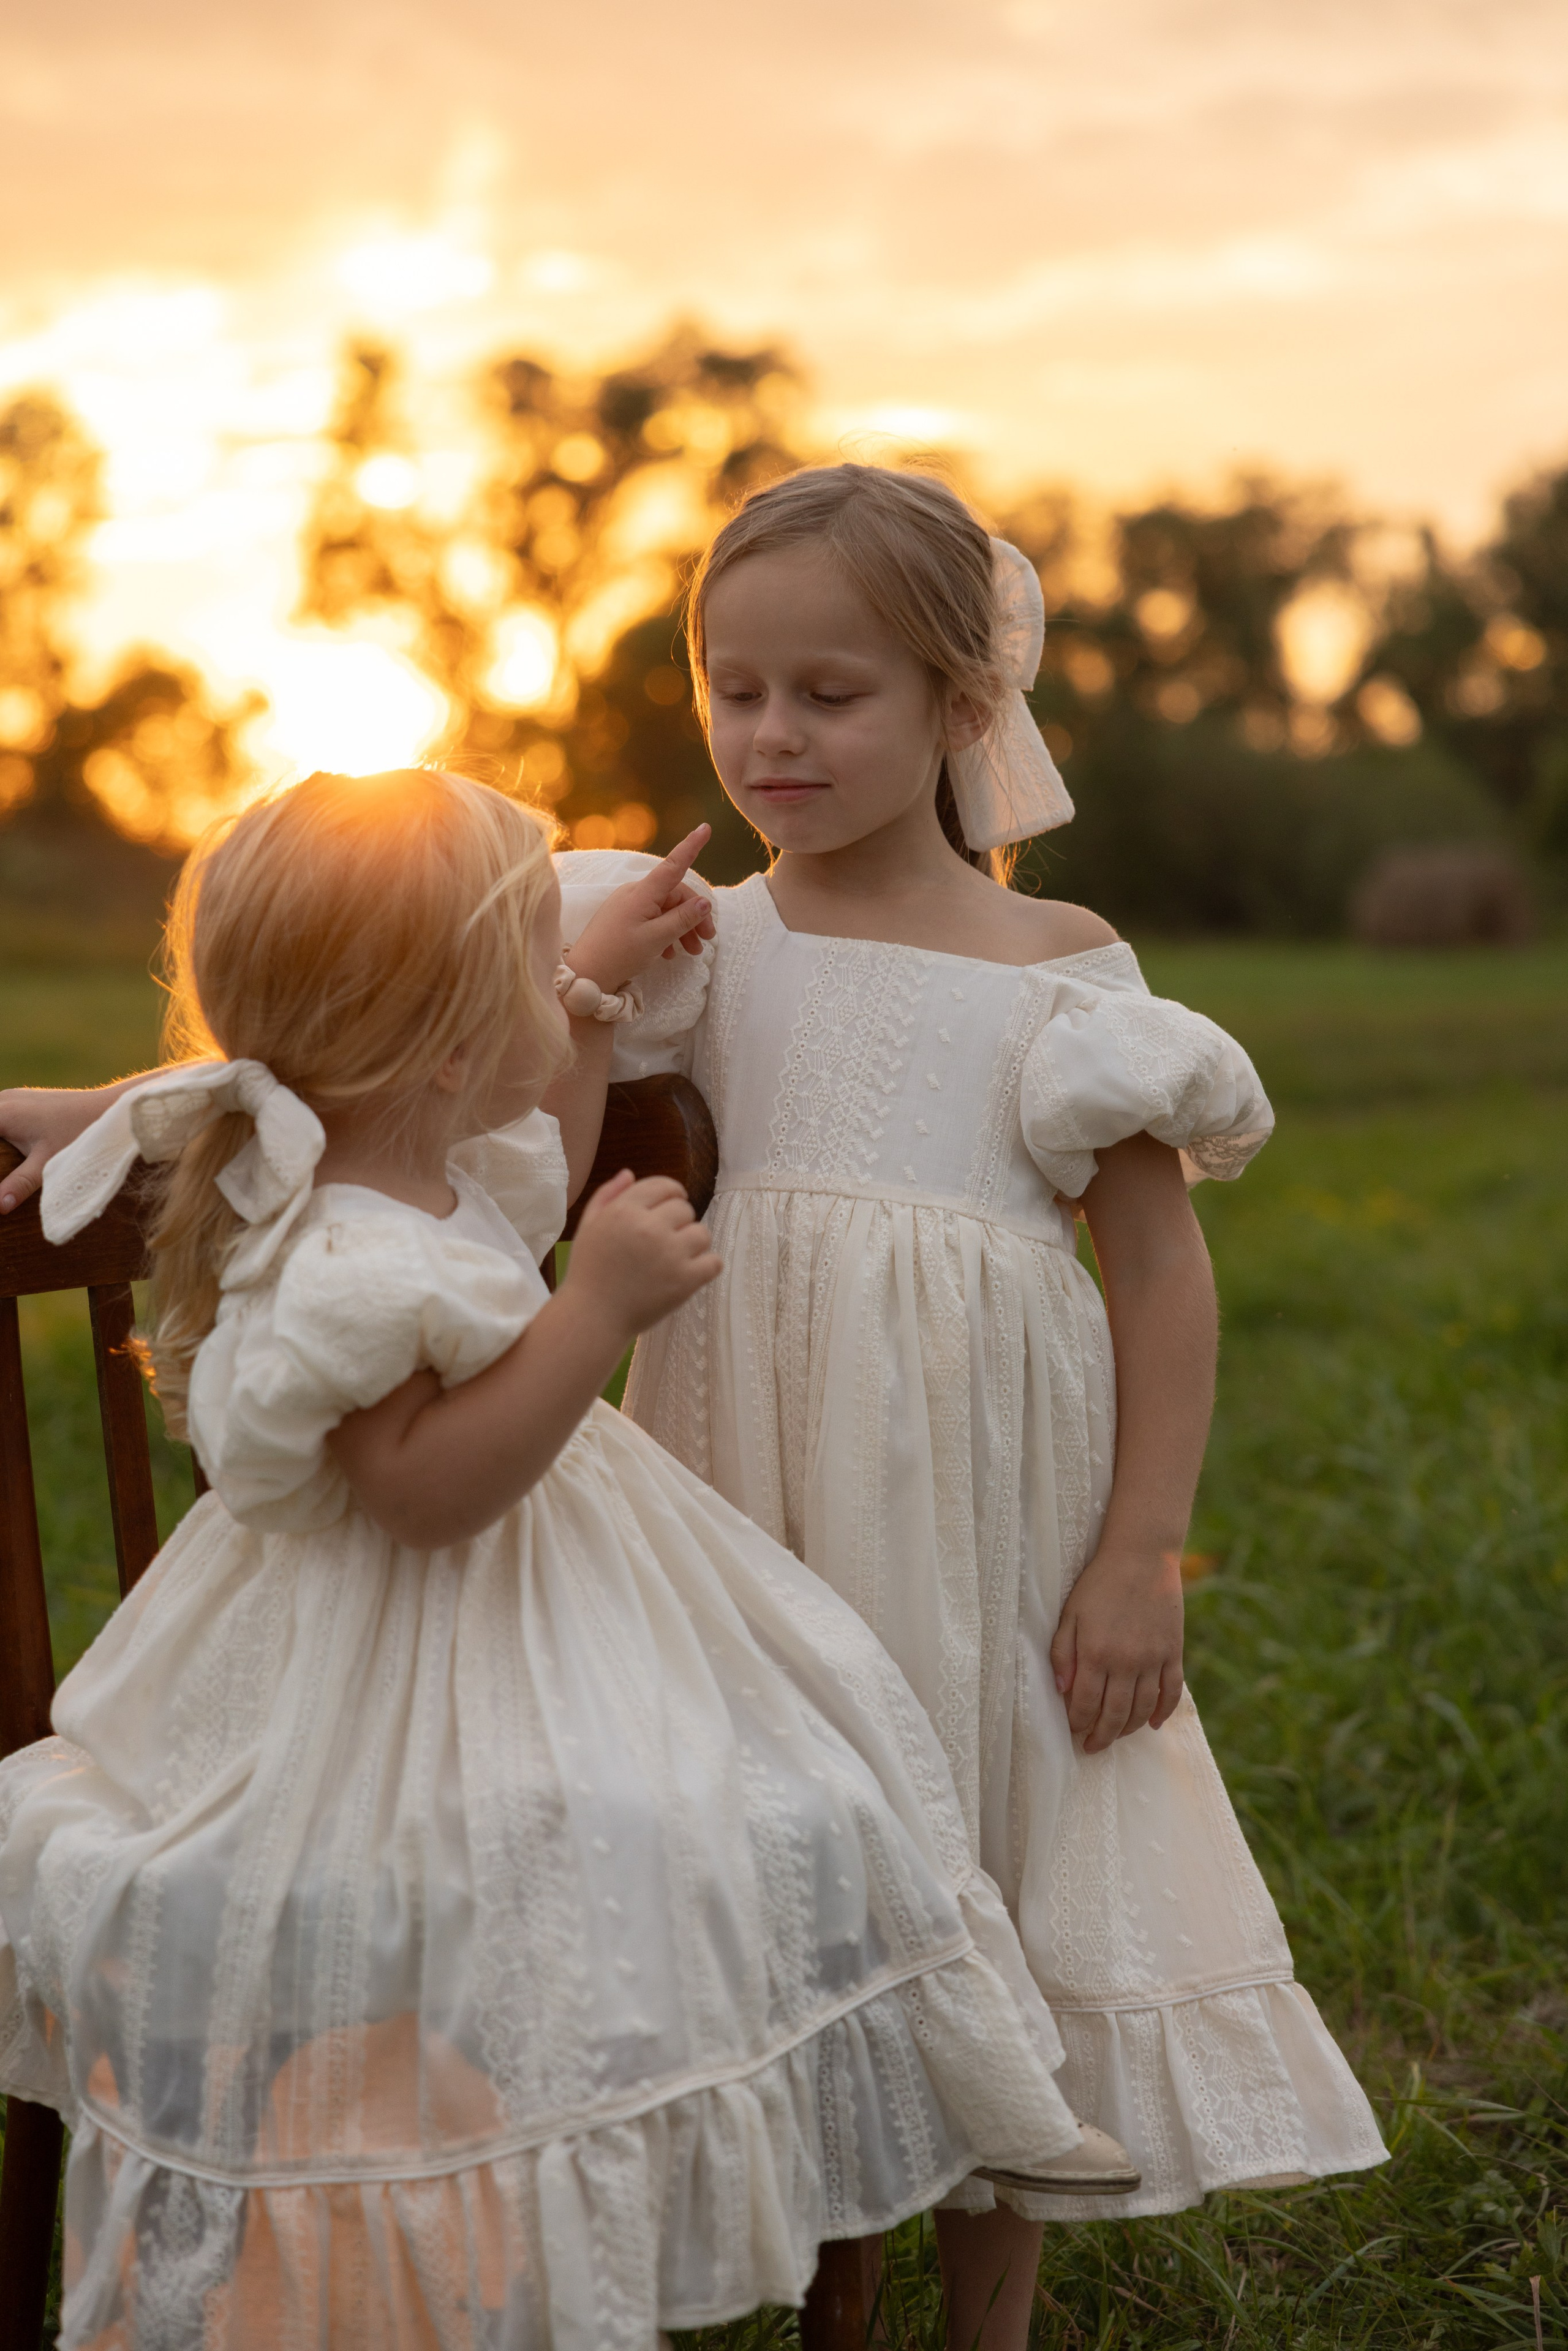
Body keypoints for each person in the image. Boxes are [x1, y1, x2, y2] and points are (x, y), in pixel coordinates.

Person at [0, 767, 1126, 2351]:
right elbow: (422, 1496)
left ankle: (949, 2089)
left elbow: (545, 1144)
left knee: (815, 1768)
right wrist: (592, 1313)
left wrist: (586, 991)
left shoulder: (427, 1166)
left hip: (537, 1621)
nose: (567, 992)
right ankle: (508, 2212)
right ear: (447, 1046)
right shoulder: (344, 1255)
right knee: (607, 1842)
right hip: (398, 1667)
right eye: (533, 971)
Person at [541, 465, 1389, 2350]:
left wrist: (1143, 1553)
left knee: (983, 1843)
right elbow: (478, 1123)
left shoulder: (1057, 970)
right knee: (759, 1854)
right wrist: (590, 1000)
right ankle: (775, 2269)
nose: (772, 734)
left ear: (959, 704)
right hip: (736, 1486)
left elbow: (1159, 1276)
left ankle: (980, 2325)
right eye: (733, 687)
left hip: (974, 1505)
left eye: (829, 694)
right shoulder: (693, 943)